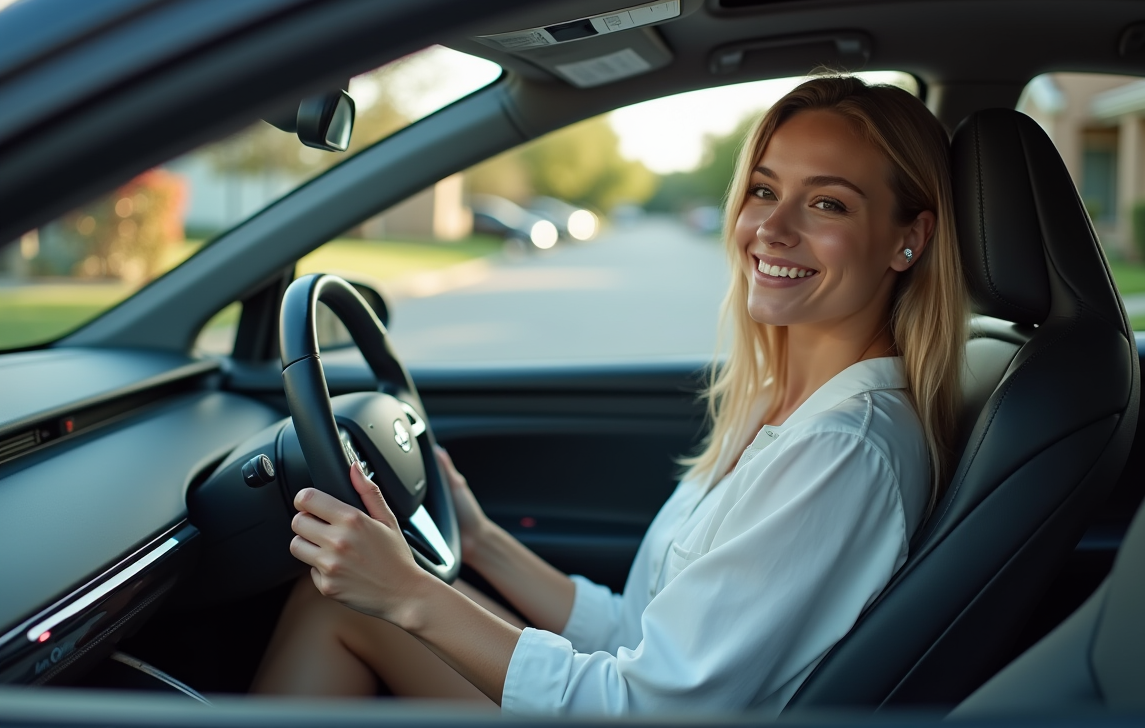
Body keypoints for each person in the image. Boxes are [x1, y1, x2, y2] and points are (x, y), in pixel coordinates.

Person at [252, 76, 968, 715]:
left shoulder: (842, 451)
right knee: (337, 605)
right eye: (763, 189)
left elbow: (643, 703)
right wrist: (480, 540)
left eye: (828, 203)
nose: (771, 230)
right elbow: (639, 629)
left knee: (335, 611)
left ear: (909, 240)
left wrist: (409, 593)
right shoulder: (783, 405)